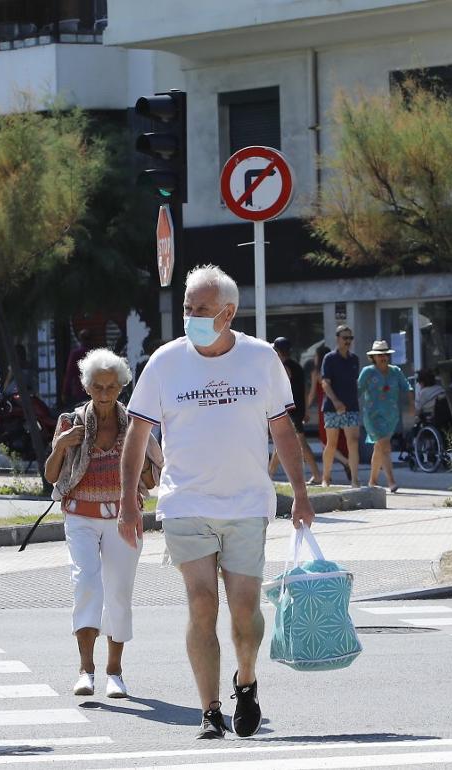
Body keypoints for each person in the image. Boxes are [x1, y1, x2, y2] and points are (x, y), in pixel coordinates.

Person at [117, 265, 315, 740]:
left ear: (228, 312)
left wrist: (301, 494)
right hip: (186, 502)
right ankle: (209, 710)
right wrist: (128, 501)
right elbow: (138, 433)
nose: (191, 316)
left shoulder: (262, 359)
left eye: (201, 310)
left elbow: (282, 430)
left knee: (245, 612)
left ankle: (245, 681)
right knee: (202, 602)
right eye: (187, 308)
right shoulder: (164, 362)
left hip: (247, 504)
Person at [44, 348, 162, 700]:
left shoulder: (135, 424)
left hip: (123, 517)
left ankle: (115, 672)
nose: (105, 393)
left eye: (111, 387)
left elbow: (152, 479)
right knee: (86, 584)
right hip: (80, 516)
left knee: (119, 593)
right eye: (98, 386)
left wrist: (140, 460)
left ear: (122, 387)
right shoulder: (71, 422)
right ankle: (86, 669)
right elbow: (51, 476)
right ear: (87, 387)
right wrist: (62, 445)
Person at [357, 341, 413, 492]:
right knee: (384, 446)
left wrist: (412, 407)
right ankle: (391, 482)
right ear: (373, 357)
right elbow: (357, 390)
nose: (383, 357)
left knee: (379, 447)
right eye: (379, 355)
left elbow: (407, 387)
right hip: (372, 416)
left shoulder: (395, 371)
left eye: (385, 354)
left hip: (391, 417)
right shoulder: (367, 372)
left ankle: (372, 481)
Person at [268, 337, 319, 481]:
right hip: (297, 409)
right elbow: (304, 389)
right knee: (281, 442)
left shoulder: (282, 367)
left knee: (300, 443)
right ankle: (270, 474)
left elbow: (280, 389)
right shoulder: (297, 366)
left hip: (290, 411)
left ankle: (317, 474)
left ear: (278, 351)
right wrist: (306, 410)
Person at [320, 325, 362, 487]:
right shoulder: (329, 359)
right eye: (345, 338)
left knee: (353, 441)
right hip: (332, 407)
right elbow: (325, 383)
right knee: (332, 443)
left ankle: (355, 479)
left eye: (350, 338)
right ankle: (326, 477)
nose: (348, 341)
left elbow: (355, 382)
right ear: (338, 339)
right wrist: (336, 401)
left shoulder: (354, 359)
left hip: (351, 406)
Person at [308, 344, 351, 483]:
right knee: (337, 441)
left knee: (326, 443)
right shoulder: (334, 369)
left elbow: (312, 394)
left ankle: (345, 462)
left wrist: (306, 408)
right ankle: (329, 473)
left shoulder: (317, 373)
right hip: (339, 405)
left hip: (325, 408)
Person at [61, 328, 92, 407]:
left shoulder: (75, 354)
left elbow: (69, 374)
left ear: (80, 339)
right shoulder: (94, 353)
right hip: (93, 392)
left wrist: (65, 392)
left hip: (79, 392)